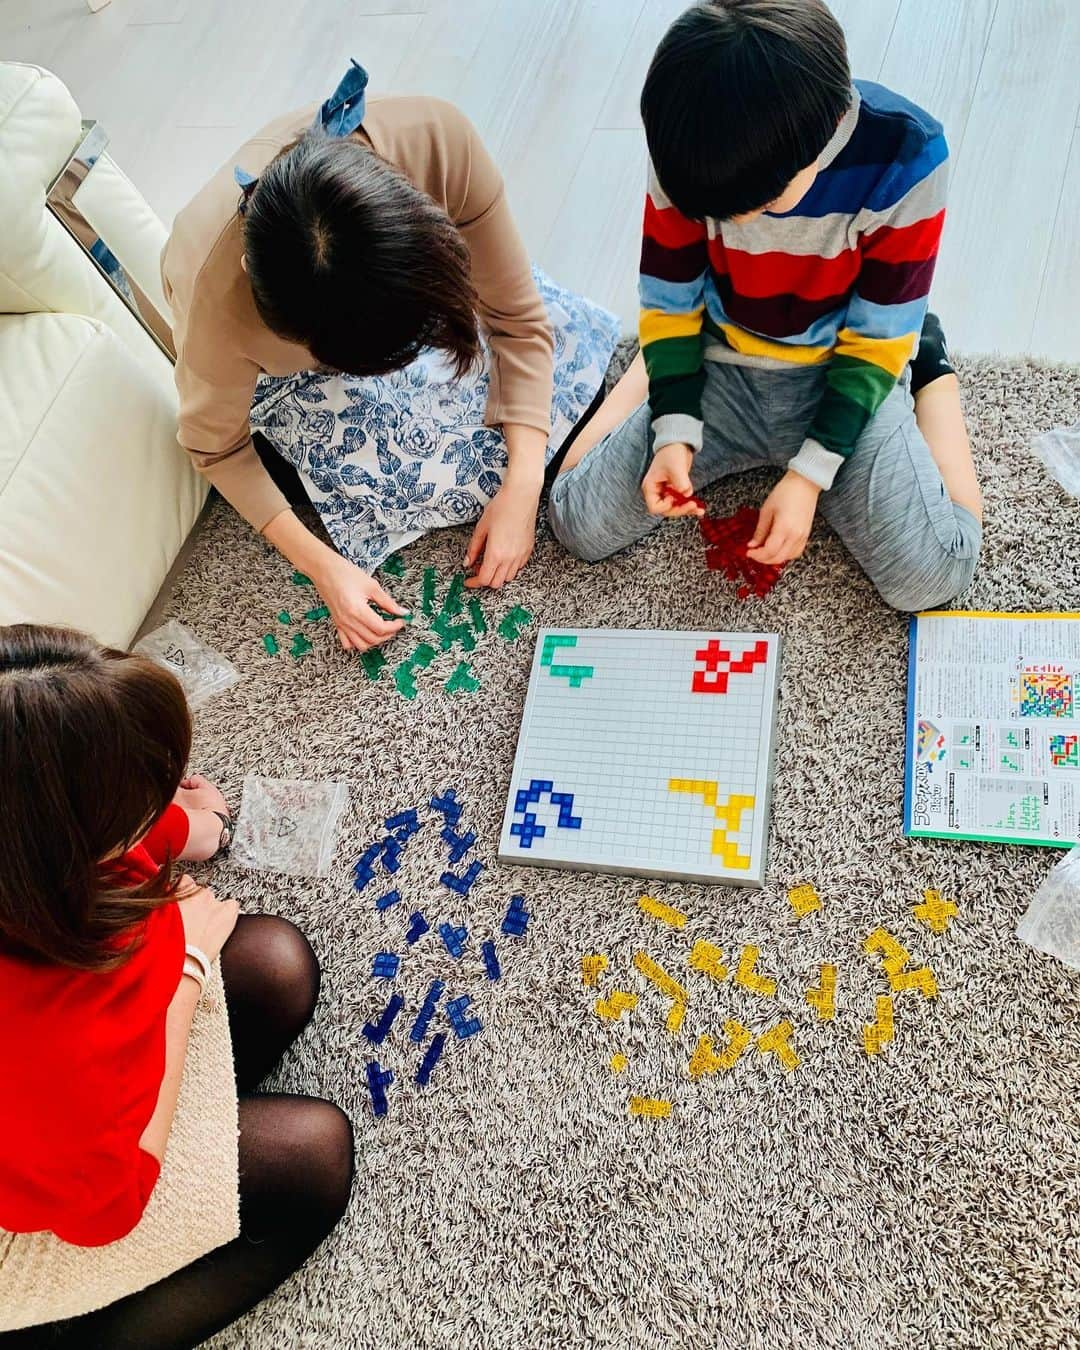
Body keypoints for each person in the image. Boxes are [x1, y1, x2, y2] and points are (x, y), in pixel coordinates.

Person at [162, 61, 618, 654]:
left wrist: (523, 485)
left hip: (392, 298)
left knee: (555, 349)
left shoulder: (438, 141)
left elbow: (516, 316)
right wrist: (326, 570)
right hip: (292, 370)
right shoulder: (217, 311)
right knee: (419, 479)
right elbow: (215, 448)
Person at [548, 0, 983, 614]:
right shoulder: (694, 139)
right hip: (722, 365)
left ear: (827, 128)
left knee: (933, 576)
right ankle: (650, 371)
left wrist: (809, 476)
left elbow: (873, 343)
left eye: (755, 201)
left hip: (844, 367)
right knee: (576, 521)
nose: (735, 220)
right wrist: (673, 427)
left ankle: (931, 367)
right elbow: (669, 295)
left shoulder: (907, 154)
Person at [0, 625, 353, 1349]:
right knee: (312, 1156)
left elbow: (164, 832)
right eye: (131, 810)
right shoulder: (51, 1035)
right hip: (47, 1217)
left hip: (61, 1120)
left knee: (274, 963)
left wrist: (198, 824)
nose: (150, 821)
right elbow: (108, 1210)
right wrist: (186, 973)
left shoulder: (25, 841)